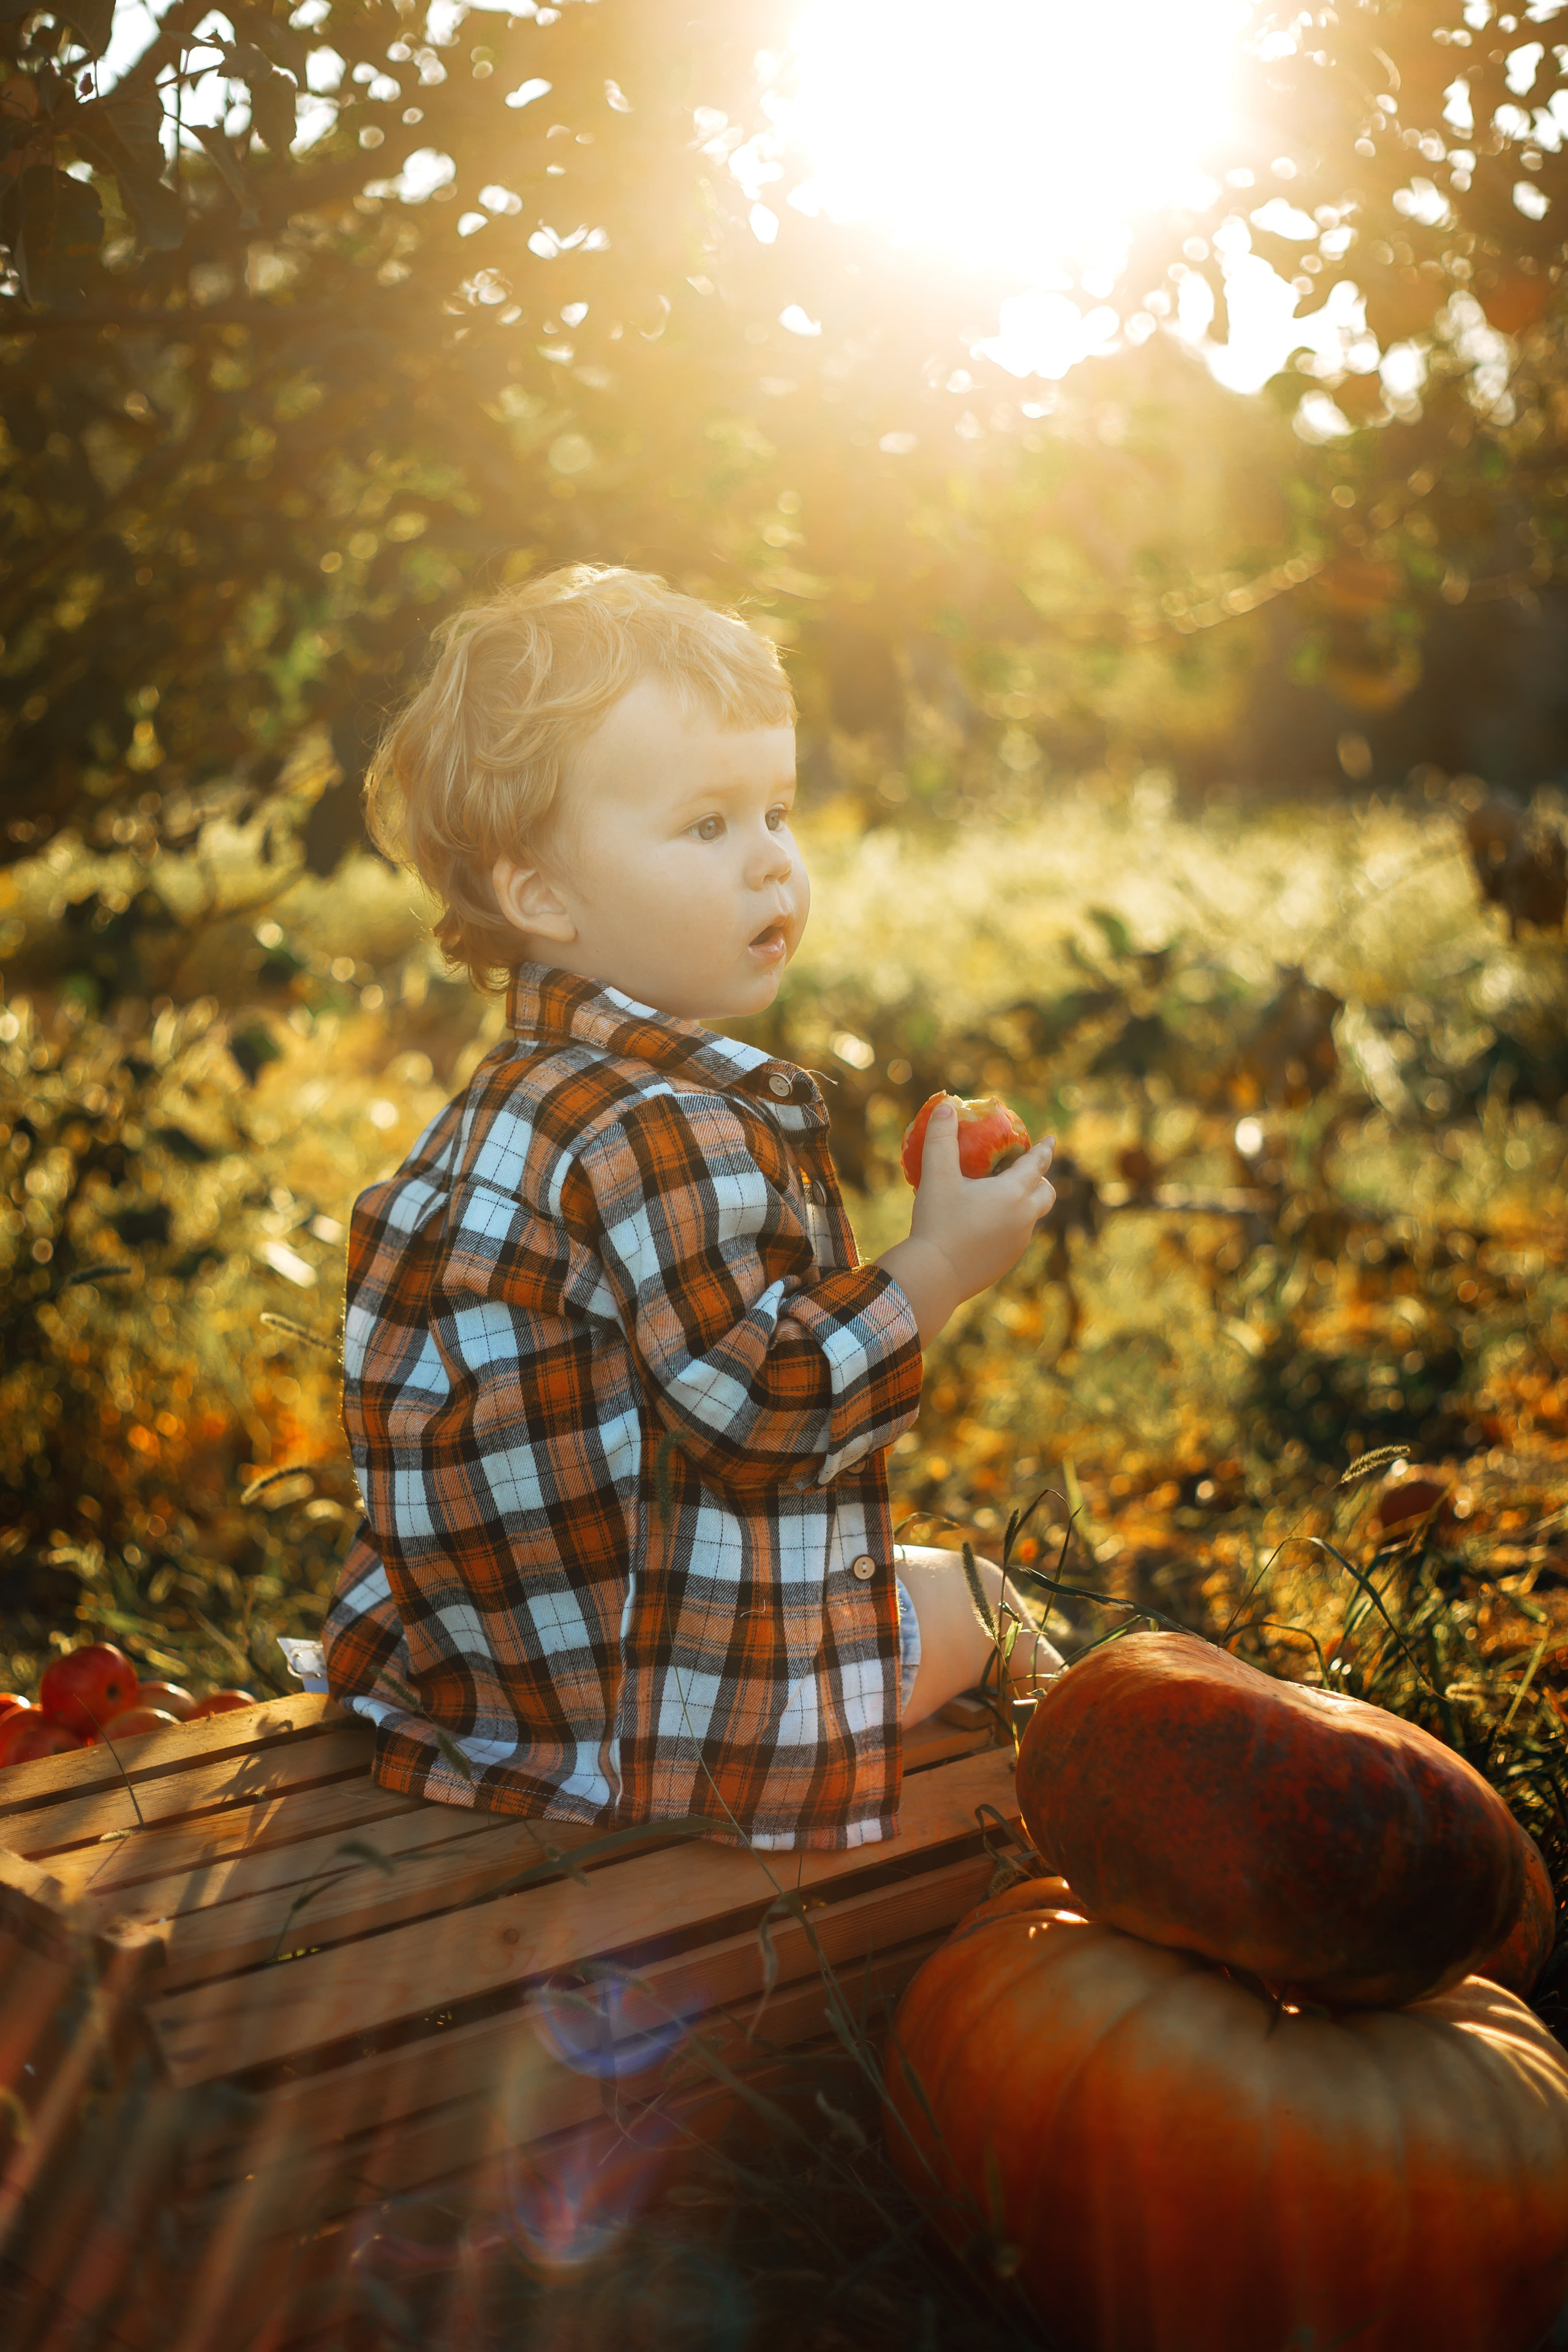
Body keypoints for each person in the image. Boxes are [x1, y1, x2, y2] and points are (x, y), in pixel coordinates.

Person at [323, 565, 1058, 1852]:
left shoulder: (524, 1094)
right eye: (707, 825)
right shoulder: (661, 1129)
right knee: (986, 1599)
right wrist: (938, 1264)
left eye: (776, 810)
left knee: (923, 1578)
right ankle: (1080, 1792)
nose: (771, 860)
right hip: (667, 1723)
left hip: (488, 1677)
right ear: (541, 895)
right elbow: (767, 1411)